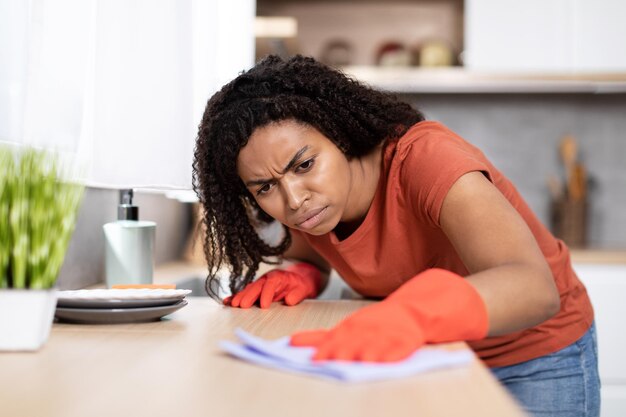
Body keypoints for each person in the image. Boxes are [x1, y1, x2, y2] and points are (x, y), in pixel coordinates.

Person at [193, 55, 599, 417]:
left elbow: (532, 287)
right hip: (431, 354)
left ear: (339, 134)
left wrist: (412, 314)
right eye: (264, 187)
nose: (294, 200)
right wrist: (300, 273)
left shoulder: (427, 159)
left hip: (532, 357)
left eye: (305, 164)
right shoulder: (307, 200)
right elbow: (316, 254)